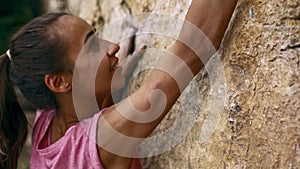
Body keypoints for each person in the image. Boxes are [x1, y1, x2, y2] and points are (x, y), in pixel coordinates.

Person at [0, 0, 238, 168]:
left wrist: (107, 88)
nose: (112, 46)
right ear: (59, 82)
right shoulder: (99, 141)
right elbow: (193, 47)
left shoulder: (48, 117)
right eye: (92, 45)